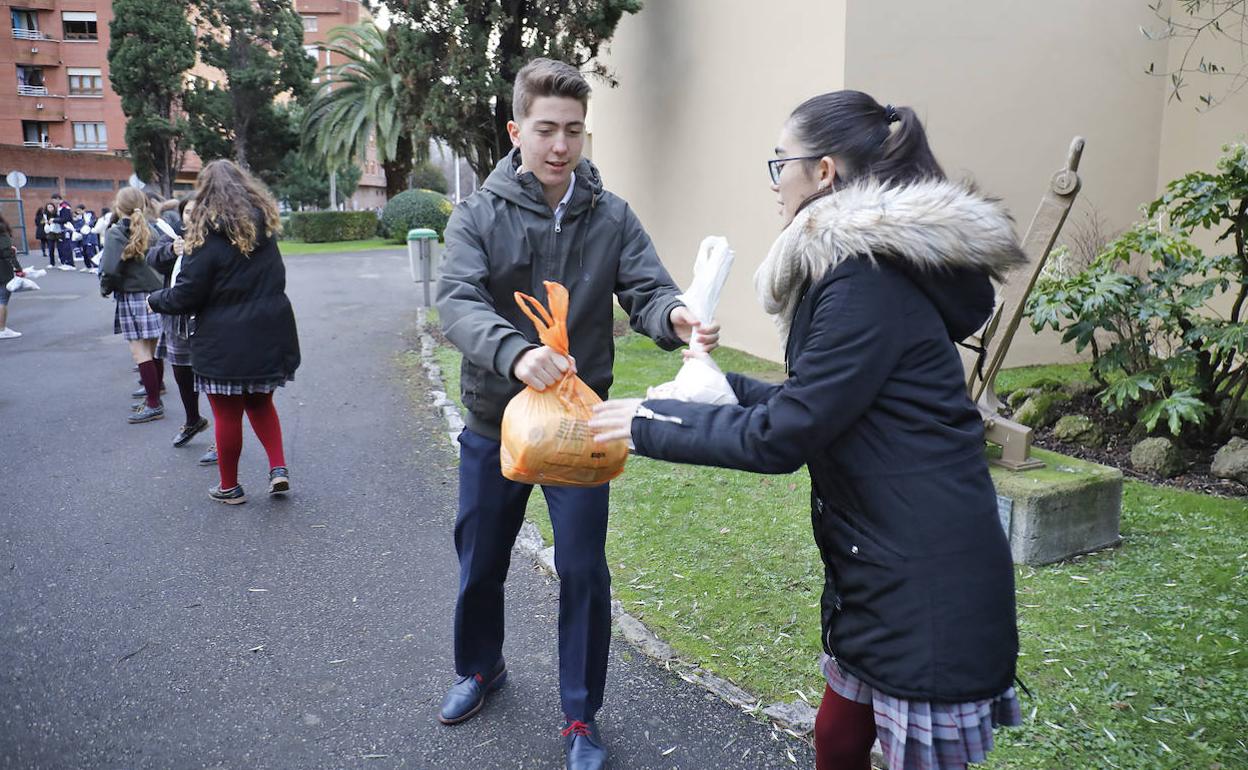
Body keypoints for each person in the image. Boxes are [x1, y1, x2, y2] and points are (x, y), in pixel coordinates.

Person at [589, 91, 1026, 770]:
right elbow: (820, 402)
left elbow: (783, 437)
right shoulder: (858, 273)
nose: (774, 182)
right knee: (837, 738)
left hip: (925, 584)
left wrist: (648, 426)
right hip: (881, 567)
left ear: (823, 171)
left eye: (780, 163)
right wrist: (724, 388)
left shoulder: (866, 283)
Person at [434, 58, 718, 770]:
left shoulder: (611, 216)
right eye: (545, 130)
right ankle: (480, 668)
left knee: (585, 571)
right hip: (496, 424)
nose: (560, 145)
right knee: (480, 559)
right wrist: (514, 352)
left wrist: (675, 315)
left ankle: (580, 715)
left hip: (581, 429)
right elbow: (458, 301)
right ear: (516, 131)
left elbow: (648, 288)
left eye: (574, 130)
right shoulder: (477, 214)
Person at [147, 159, 299, 505]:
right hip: (268, 332)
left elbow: (187, 295)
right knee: (261, 403)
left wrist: (155, 300)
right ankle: (278, 468)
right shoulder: (264, 230)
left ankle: (229, 487)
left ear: (205, 193)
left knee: (227, 414)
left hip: (221, 340)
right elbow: (278, 279)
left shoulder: (204, 239)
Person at [146, 195, 210, 450]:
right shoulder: (174, 236)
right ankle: (193, 419)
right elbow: (152, 258)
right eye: (187, 212)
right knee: (182, 372)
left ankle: (223, 437)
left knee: (214, 377)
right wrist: (171, 250)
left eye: (197, 211)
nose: (191, 216)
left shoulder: (215, 238)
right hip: (176, 318)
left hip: (207, 318)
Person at [99, 187, 166, 423]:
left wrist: (105, 288)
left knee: (140, 352)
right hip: (155, 295)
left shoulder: (117, 232)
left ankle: (153, 404)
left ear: (119, 207)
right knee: (153, 350)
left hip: (133, 295)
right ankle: (155, 393)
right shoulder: (152, 228)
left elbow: (109, 268)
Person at [0, 214, 24, 339]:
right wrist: (18, 269)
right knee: (2, 300)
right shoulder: (1, 230)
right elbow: (7, 253)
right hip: (3, 270)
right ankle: (2, 329)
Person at [54, 196, 76, 270]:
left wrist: (54, 220)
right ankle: (66, 262)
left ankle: (70, 263)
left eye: (54, 200)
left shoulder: (65, 207)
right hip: (63, 229)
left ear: (58, 199)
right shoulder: (60, 207)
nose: (54, 202)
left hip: (67, 228)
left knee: (67, 246)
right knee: (63, 246)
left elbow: (66, 218)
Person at [35, 202, 56, 266]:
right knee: (47, 242)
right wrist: (44, 221)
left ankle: (44, 252)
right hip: (44, 231)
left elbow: (37, 223)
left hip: (41, 231)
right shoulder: (44, 216)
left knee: (43, 242)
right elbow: (40, 223)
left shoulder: (38, 216)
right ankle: (47, 252)